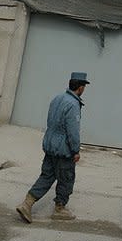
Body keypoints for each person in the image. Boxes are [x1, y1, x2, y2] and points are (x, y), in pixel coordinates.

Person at [16, 71, 90, 224]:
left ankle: (27, 204)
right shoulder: (73, 104)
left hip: (50, 145)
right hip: (64, 150)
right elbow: (73, 131)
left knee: (46, 176)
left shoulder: (58, 98)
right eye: (84, 86)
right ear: (80, 87)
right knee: (66, 178)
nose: (84, 89)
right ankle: (60, 208)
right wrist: (75, 150)